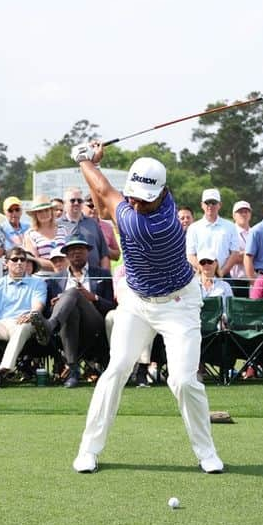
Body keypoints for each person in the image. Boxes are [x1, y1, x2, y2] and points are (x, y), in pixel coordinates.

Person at [69, 144, 223, 475]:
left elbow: (103, 190)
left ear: (163, 194)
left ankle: (206, 452)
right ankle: (89, 449)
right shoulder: (154, 201)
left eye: (143, 198)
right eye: (133, 196)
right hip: (137, 302)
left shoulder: (151, 225)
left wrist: (83, 158)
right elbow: (103, 196)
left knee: (183, 380)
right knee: (117, 369)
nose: (136, 203)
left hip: (178, 304)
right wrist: (94, 165)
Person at [0, 247, 48, 389]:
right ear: (5, 263)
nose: (19, 262)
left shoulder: (38, 283)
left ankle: (2, 372)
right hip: (1, 323)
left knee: (24, 325)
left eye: (22, 260)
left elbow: (38, 306)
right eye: (14, 259)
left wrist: (31, 314)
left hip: (24, 322)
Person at [43, 236, 116, 388]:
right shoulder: (55, 279)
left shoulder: (102, 274)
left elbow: (112, 306)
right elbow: (48, 309)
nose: (76, 253)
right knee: (71, 311)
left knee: (73, 293)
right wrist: (54, 306)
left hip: (94, 323)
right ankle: (73, 370)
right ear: (67, 255)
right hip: (67, 324)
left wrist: (93, 297)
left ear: (87, 252)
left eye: (80, 249)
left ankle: (50, 326)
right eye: (72, 250)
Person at [186, 188, 243, 277]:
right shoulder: (193, 228)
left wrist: (221, 272)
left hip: (224, 275)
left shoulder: (230, 226)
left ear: (220, 205)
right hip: (200, 275)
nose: (210, 206)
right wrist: (205, 272)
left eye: (213, 202)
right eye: (207, 202)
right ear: (202, 205)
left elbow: (234, 253)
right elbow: (190, 255)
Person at [57, 186, 110, 272]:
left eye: (79, 200)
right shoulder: (56, 225)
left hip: (93, 277)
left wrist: (104, 277)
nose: (76, 203)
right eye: (72, 200)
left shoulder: (93, 224)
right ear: (64, 203)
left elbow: (104, 254)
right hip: (66, 278)